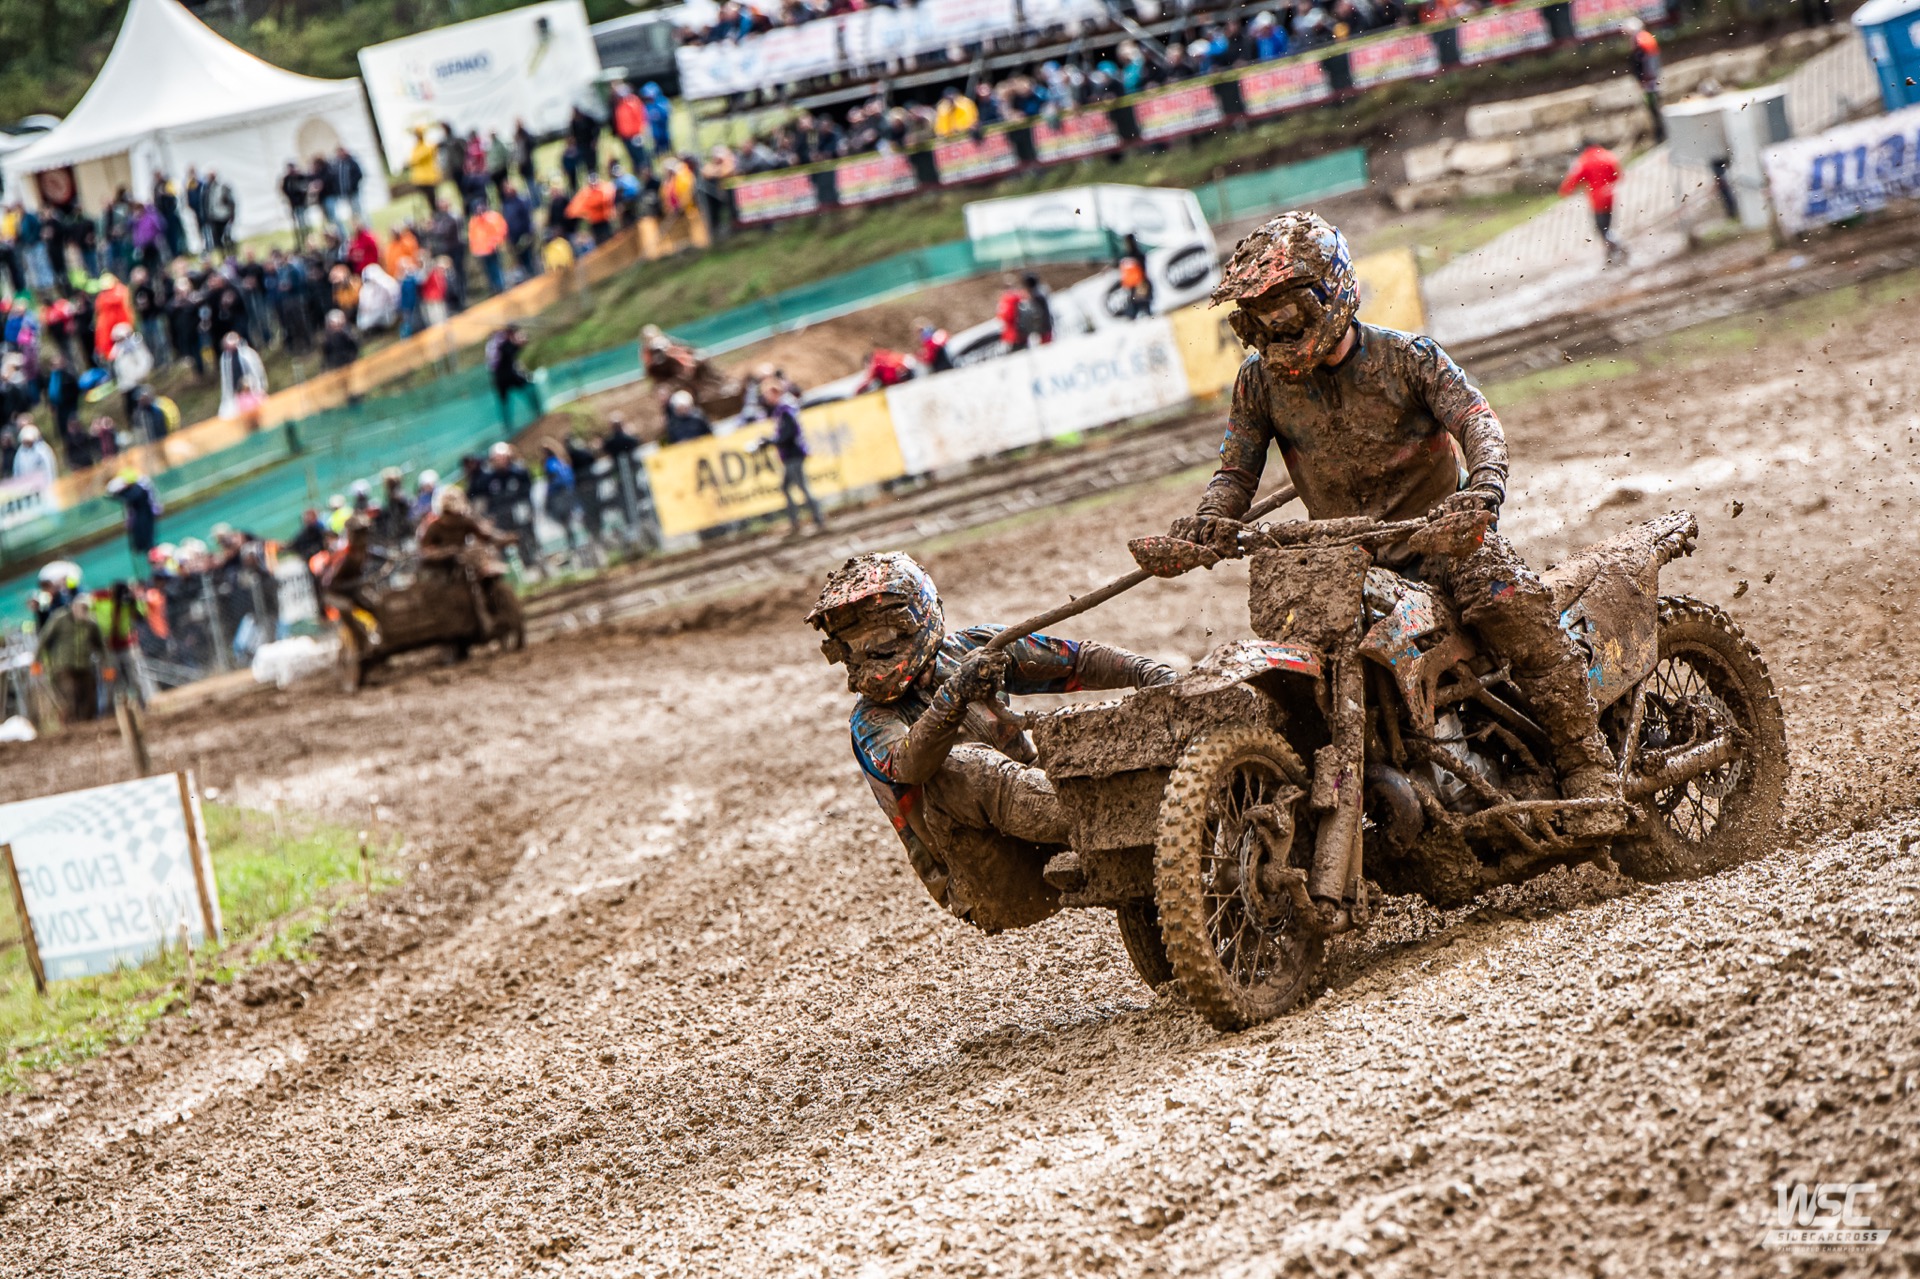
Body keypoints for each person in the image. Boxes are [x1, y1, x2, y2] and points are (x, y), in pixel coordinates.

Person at [1168, 210, 1622, 838]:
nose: (1275, 329)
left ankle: (1586, 763)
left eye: (1287, 311)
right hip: (1344, 563)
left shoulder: (1409, 358)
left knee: (1505, 598)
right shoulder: (1259, 383)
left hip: (1444, 541)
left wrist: (1483, 489)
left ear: (1330, 292)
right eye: (1259, 317)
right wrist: (1210, 521)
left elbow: (1477, 422)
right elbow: (1235, 473)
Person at [806, 553, 1177, 927]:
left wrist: (1151, 674)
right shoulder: (870, 720)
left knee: (1073, 731)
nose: (869, 653)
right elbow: (910, 765)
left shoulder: (972, 648)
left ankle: (1156, 810)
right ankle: (1117, 820)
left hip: (1051, 835)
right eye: (855, 644)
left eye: (880, 639)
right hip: (988, 876)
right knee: (958, 765)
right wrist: (955, 695)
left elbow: (1076, 662)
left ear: (916, 618)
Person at [417, 486, 515, 636]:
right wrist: (441, 553)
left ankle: (492, 612)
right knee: (447, 592)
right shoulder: (435, 527)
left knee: (482, 571)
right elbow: (425, 549)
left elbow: (485, 535)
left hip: (466, 560)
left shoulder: (465, 521)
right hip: (446, 568)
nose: (453, 517)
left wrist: (504, 538)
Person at [756, 380, 825, 535]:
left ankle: (816, 520)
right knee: (789, 487)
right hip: (790, 455)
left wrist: (770, 441)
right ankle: (799, 522)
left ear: (775, 393)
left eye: (767, 394)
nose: (766, 398)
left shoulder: (785, 410)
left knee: (802, 488)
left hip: (793, 454)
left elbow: (788, 434)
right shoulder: (782, 409)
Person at [34, 596, 106, 724]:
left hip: (85, 665)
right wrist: (36, 661)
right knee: (69, 695)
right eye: (80, 607)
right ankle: (72, 727)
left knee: (89, 696)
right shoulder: (60, 619)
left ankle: (88, 725)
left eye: (85, 608)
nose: (82, 611)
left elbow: (100, 646)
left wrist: (106, 665)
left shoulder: (91, 624)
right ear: (73, 607)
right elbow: (44, 639)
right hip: (64, 665)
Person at [1560, 140, 1627, 268]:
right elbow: (1617, 174)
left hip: (1597, 199)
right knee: (1608, 225)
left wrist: (1565, 190)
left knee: (1602, 229)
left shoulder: (1584, 161)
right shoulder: (1607, 155)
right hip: (1610, 195)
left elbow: (1574, 178)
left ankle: (1617, 247)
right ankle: (1611, 252)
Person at [105, 467, 162, 571]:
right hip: (140, 520)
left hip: (143, 520)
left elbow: (118, 494)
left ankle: (155, 564)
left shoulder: (138, 490)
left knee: (148, 543)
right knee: (144, 545)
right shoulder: (137, 489)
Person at [487, 325, 541, 425]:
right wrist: (519, 345)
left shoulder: (496, 343)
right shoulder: (505, 344)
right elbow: (511, 354)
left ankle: (508, 425)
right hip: (508, 376)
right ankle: (537, 412)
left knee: (504, 402)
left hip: (498, 378)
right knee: (529, 387)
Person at [1625, 20, 1665, 145]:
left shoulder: (1640, 41)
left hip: (1649, 81)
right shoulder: (1646, 38)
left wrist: (1644, 79)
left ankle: (1661, 133)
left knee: (1654, 107)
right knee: (1654, 106)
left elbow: (1642, 63)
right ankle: (1661, 132)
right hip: (1651, 79)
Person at [217, 331, 269, 422]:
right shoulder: (225, 359)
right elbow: (226, 381)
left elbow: (257, 371)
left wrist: (258, 388)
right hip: (236, 395)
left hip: (253, 391)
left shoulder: (247, 353)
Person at [1117, 234, 1153, 319]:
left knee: (1144, 307)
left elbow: (1142, 269)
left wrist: (1142, 283)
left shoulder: (1136, 256)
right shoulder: (1126, 256)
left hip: (1140, 283)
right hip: (1133, 285)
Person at [1022, 272, 1054, 346]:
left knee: (1045, 347)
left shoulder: (1036, 295)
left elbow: (1037, 314)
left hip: (1043, 328)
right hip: (1045, 326)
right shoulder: (1040, 291)